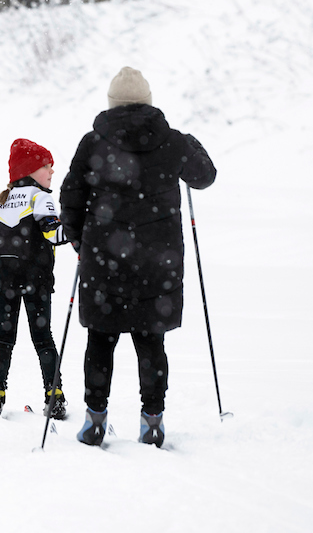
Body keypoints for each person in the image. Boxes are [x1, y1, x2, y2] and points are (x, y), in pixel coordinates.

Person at [59, 67, 215, 448]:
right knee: (151, 343)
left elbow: (71, 197)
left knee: (100, 339)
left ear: (112, 104)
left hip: (103, 258)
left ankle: (95, 420)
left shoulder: (93, 143)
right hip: (157, 262)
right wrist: (192, 144)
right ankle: (153, 423)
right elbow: (204, 176)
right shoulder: (173, 142)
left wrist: (81, 243)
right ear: (148, 101)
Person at [0, 139, 71, 418]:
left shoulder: (3, 202)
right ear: (31, 170)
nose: (51, 172)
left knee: (3, 339)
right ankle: (54, 397)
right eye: (47, 166)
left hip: (5, 283)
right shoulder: (40, 197)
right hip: (37, 280)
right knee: (43, 338)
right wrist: (79, 223)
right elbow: (56, 235)